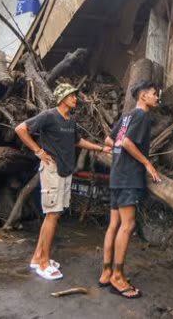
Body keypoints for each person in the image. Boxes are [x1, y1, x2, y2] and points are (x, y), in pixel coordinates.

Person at [15, 82, 111, 281]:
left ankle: (37, 258)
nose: (75, 98)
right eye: (71, 95)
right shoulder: (49, 116)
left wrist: (101, 148)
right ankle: (44, 264)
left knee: (55, 214)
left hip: (65, 171)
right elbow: (21, 129)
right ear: (62, 98)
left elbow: (78, 141)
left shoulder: (70, 121)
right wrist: (38, 151)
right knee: (52, 215)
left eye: (75, 95)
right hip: (52, 169)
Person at [98, 80, 162, 299]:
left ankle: (106, 272)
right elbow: (125, 143)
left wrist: (116, 157)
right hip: (129, 177)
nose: (157, 97)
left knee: (114, 224)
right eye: (154, 94)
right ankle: (118, 275)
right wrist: (146, 163)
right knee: (128, 225)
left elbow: (109, 140)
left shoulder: (126, 116)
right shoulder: (142, 116)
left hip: (117, 175)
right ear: (143, 96)